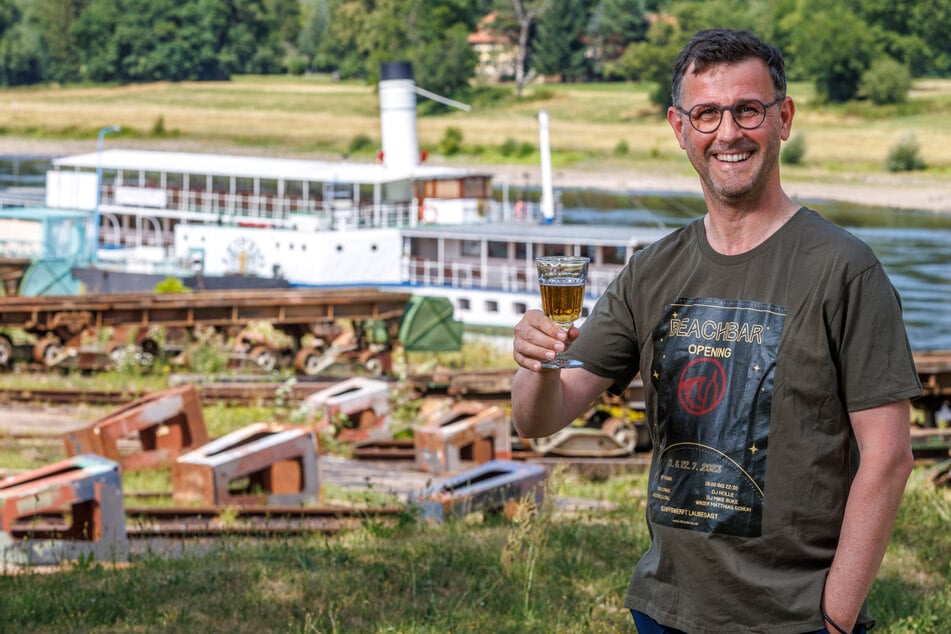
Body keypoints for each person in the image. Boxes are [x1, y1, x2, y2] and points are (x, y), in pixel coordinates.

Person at [511, 28, 921, 634]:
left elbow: (888, 457)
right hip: (665, 611)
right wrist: (536, 361)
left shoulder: (843, 268)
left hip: (795, 620)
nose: (728, 133)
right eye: (707, 114)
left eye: (747, 110)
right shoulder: (653, 269)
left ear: (783, 119)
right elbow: (538, 419)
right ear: (680, 129)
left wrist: (835, 619)